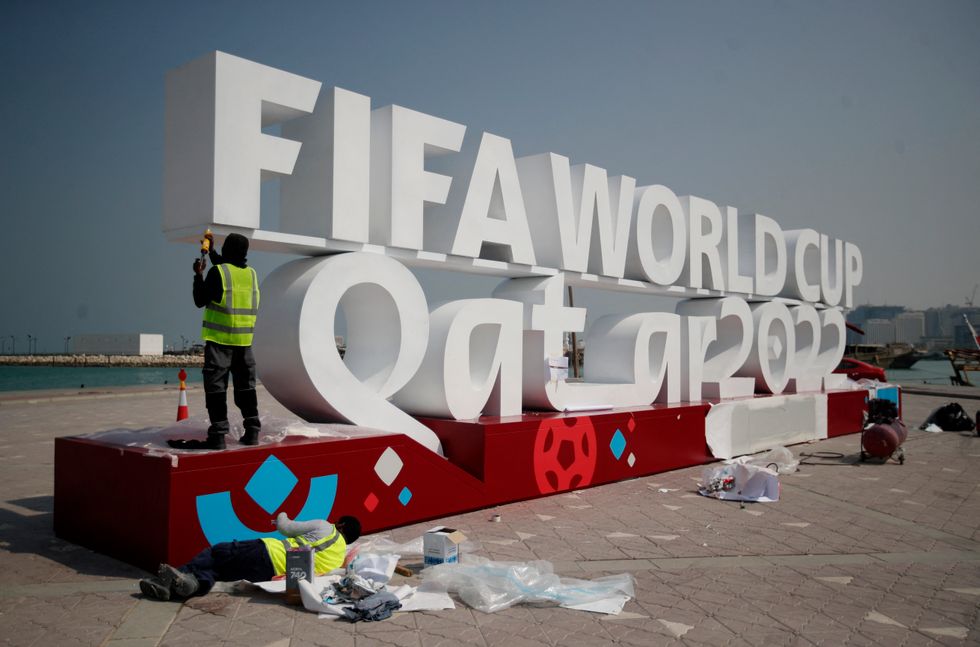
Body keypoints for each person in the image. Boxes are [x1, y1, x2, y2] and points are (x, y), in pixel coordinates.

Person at [169, 232, 261, 450]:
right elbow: (227, 268)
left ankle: (218, 436)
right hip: (244, 344)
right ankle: (252, 432)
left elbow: (199, 300)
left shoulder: (217, 272)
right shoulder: (251, 274)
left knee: (216, 390)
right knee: (246, 390)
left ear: (227, 249)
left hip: (220, 343)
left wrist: (198, 275)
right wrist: (211, 253)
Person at [139, 513, 362, 600]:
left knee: (218, 552)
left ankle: (178, 578)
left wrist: (281, 514)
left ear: (340, 524)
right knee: (222, 570)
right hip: (268, 574)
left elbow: (286, 527)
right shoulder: (337, 558)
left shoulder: (325, 527)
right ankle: (189, 584)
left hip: (265, 551)